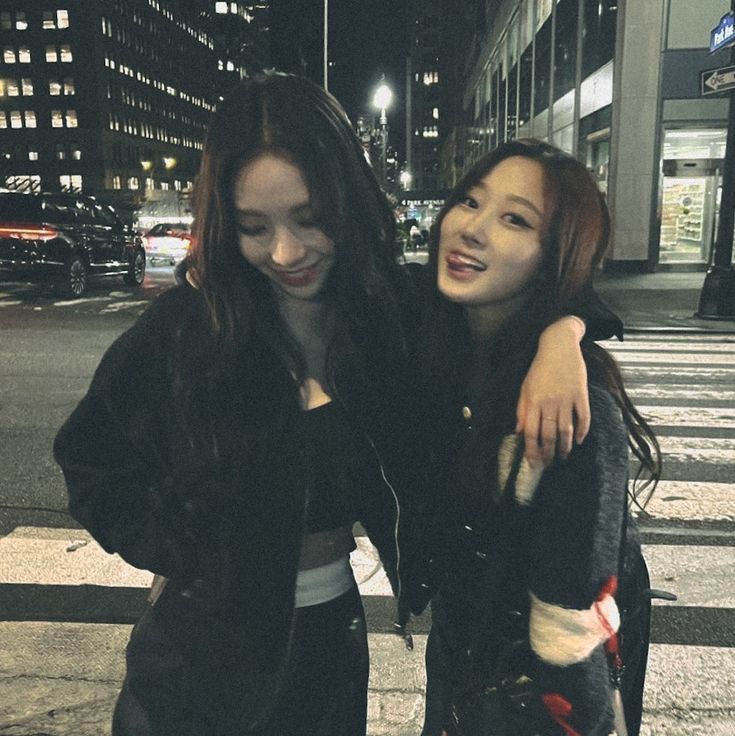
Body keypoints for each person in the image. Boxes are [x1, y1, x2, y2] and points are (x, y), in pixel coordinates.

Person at [54, 73, 612, 736]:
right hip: (202, 651)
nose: (285, 252)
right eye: (254, 228)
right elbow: (90, 457)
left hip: (331, 637)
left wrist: (563, 335)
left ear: (344, 198)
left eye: (309, 219)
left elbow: (528, 289)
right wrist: (182, 552)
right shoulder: (191, 327)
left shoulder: (391, 315)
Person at [417, 139, 660, 736]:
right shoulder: (437, 343)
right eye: (470, 201)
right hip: (459, 677)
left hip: (531, 710)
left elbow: (570, 634)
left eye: (514, 220)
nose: (472, 229)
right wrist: (565, 330)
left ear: (554, 258)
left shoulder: (569, 416)